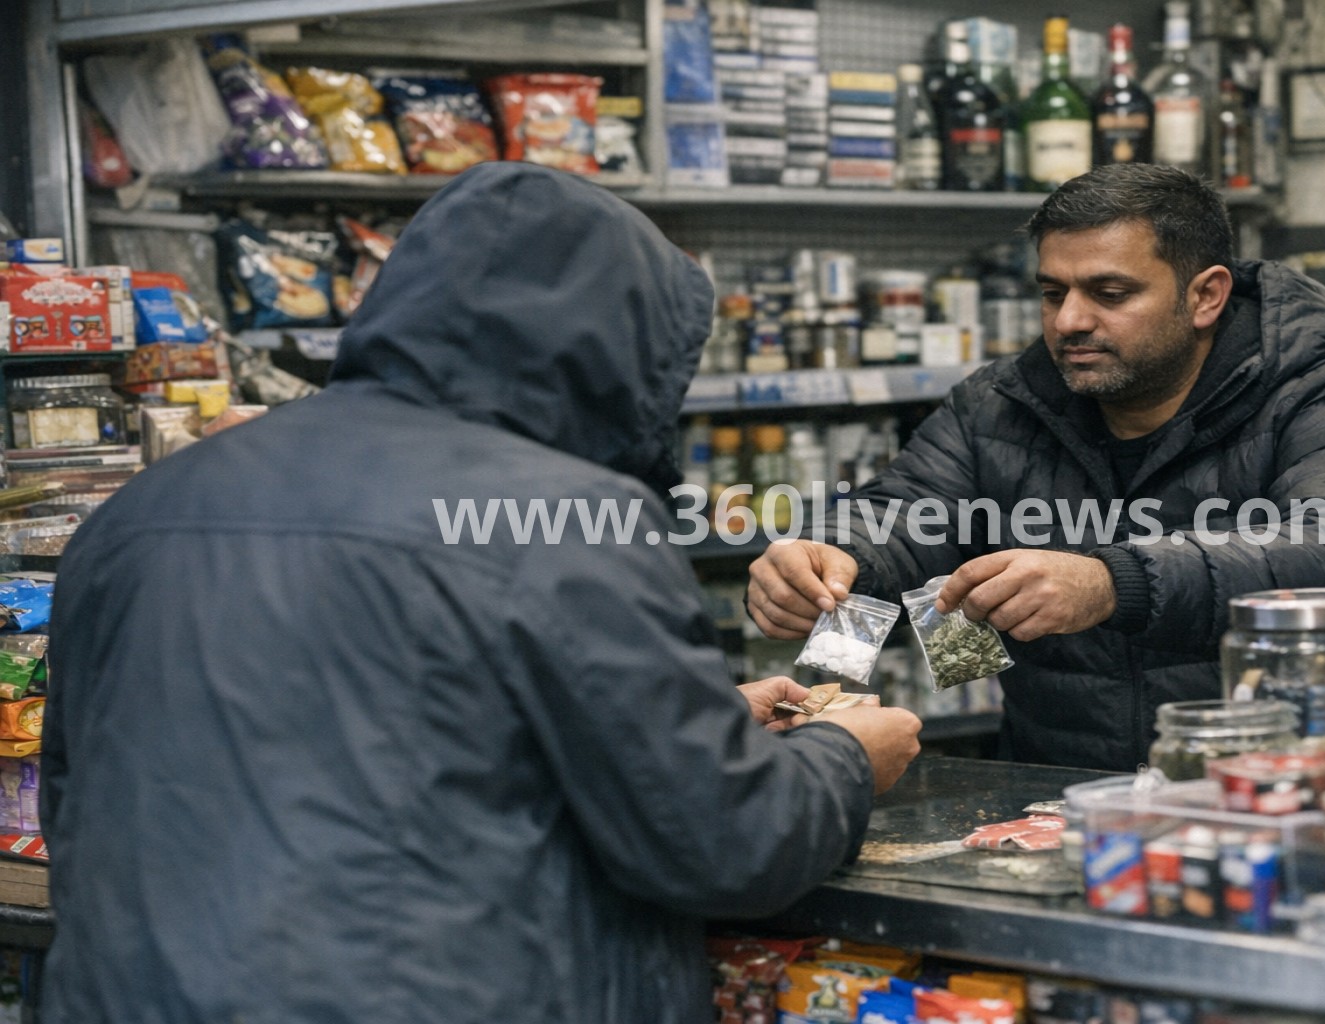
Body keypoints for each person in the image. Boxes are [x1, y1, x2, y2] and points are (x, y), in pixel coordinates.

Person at [40, 163, 921, 1023]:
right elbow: (723, 843)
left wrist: (691, 716)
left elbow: (93, 797)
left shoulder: (146, 509)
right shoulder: (565, 519)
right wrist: (845, 757)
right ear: (615, 350)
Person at [748, 163, 1325, 771]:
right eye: (1052, 292)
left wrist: (1112, 581)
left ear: (1205, 296)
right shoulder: (1001, 404)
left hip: (1273, 791)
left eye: (1109, 293)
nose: (1069, 321)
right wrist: (833, 555)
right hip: (1055, 796)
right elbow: (909, 507)